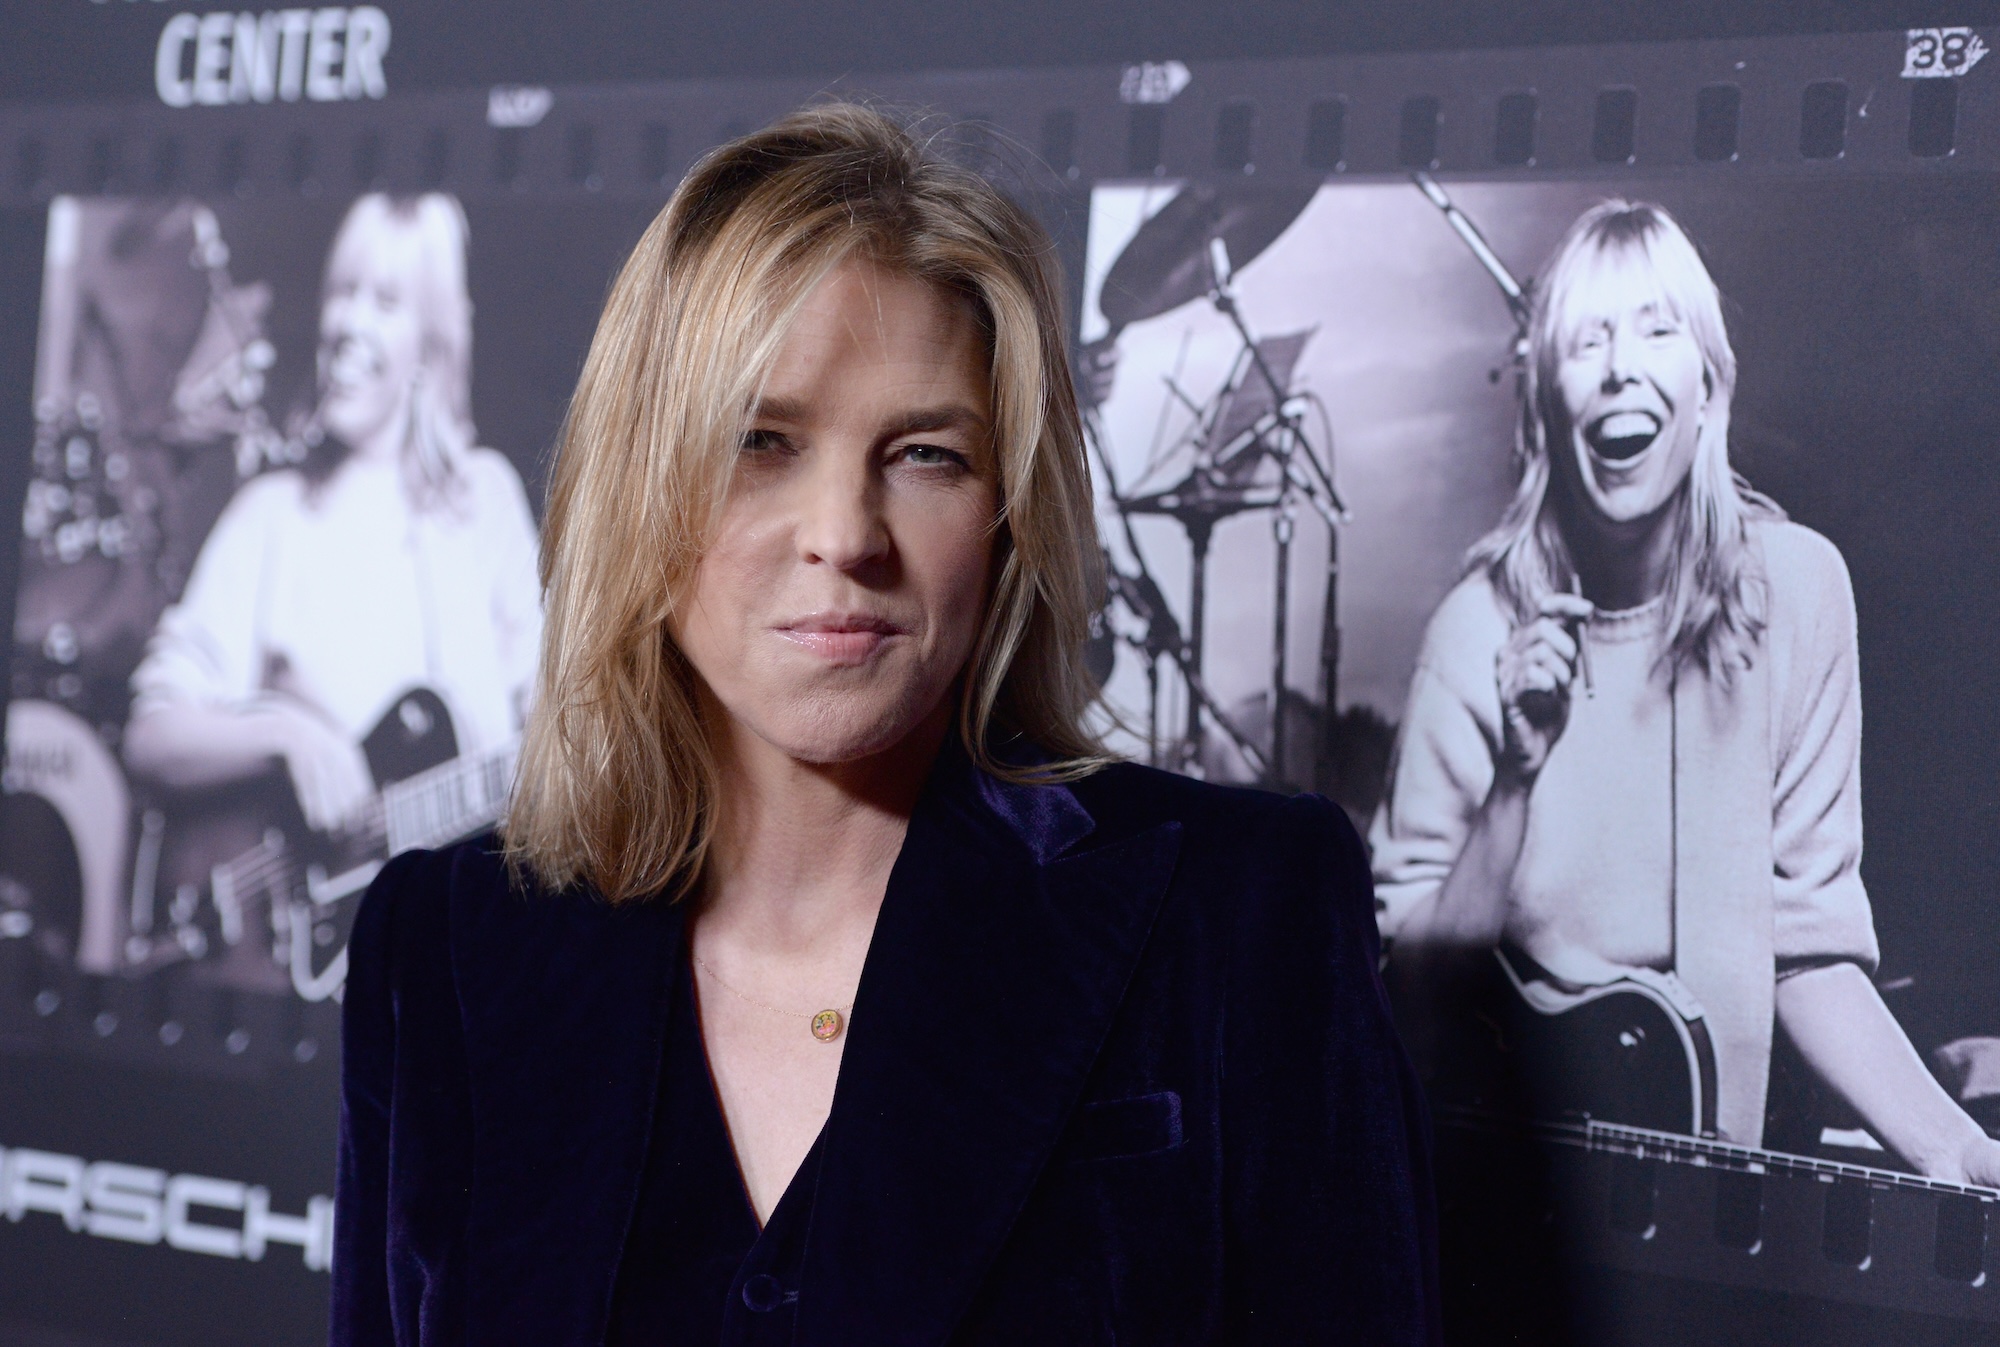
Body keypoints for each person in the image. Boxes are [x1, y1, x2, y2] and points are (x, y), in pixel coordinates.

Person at [330, 104, 1437, 1345]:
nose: (845, 535)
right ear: (637, 484)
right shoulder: (443, 949)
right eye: (760, 442)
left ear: (1010, 513)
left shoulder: (1244, 912)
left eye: (923, 455)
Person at [1370, 199, 2000, 1182]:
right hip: (1519, 1209)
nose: (1620, 365)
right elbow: (1412, 998)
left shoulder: (1795, 590)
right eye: (1586, 341)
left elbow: (1807, 949)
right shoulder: (1477, 627)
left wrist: (1955, 1148)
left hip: (1715, 1209)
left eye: (1655, 329)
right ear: (1545, 405)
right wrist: (1512, 780)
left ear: (1705, 389)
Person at [123, 193, 542, 834]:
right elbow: (152, 738)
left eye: (385, 301)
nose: (348, 323)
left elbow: (553, 726)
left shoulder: (484, 499)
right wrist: (285, 735)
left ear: (430, 345)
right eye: (342, 293)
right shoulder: (271, 516)